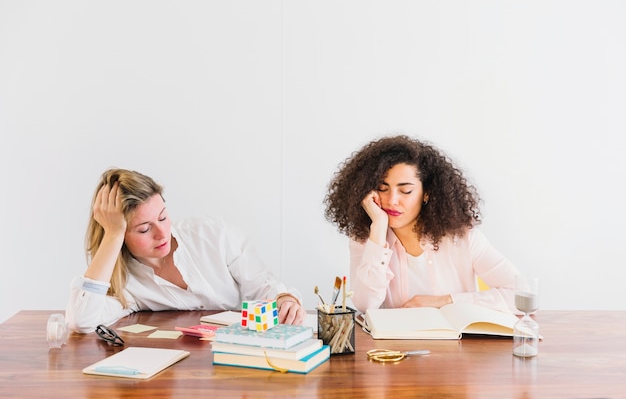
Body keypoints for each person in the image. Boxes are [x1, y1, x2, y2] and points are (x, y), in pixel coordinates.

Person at [66, 168, 306, 333]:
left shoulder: (214, 235)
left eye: (162, 217)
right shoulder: (126, 281)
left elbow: (263, 285)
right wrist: (112, 235)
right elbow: (83, 321)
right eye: (143, 229)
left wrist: (284, 299)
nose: (162, 234)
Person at [323, 135, 520, 314]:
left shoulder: (463, 237)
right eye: (383, 189)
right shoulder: (368, 237)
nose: (392, 200)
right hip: (393, 351)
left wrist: (444, 301)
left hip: (455, 349)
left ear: (426, 193)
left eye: (405, 191)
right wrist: (379, 229)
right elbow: (365, 304)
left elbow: (521, 296)